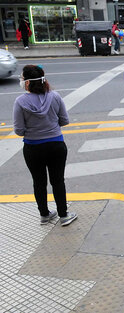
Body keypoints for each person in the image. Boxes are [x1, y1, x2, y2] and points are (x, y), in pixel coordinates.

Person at [13, 65, 78, 226]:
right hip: (56, 145)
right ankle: (64, 215)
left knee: (39, 182)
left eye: (22, 79)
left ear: (27, 83)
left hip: (32, 148)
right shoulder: (55, 96)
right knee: (58, 181)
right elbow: (65, 120)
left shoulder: (20, 102)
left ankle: (44, 214)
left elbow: (19, 131)